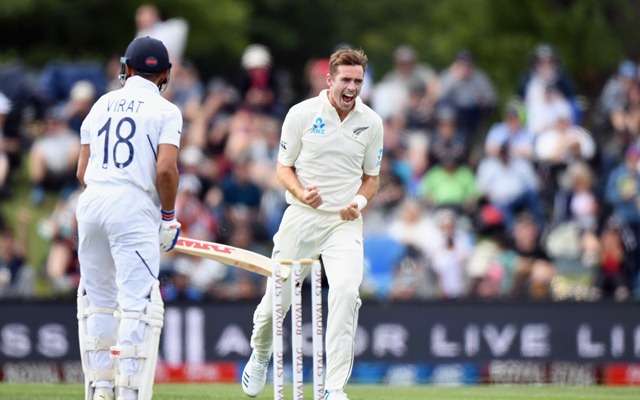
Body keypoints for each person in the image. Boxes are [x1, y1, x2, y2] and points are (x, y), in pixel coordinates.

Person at [241, 48, 384, 400]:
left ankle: (333, 388)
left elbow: (372, 178)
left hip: (343, 222)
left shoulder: (371, 122)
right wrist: (302, 193)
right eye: (346, 80)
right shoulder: (302, 114)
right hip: (302, 217)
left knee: (347, 292)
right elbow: (282, 168)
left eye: (358, 81)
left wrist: (359, 202)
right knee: (277, 302)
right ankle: (260, 354)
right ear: (329, 80)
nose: (351, 87)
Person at [75, 37, 182, 400]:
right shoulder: (166, 111)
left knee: (100, 301)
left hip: (91, 202)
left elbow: (81, 170)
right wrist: (167, 217)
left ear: (127, 68)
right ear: (165, 74)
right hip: (132, 206)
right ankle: (129, 390)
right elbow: (166, 171)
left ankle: (101, 386)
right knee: (136, 304)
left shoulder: (101, 104)